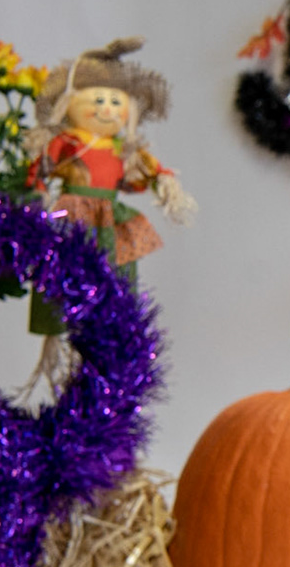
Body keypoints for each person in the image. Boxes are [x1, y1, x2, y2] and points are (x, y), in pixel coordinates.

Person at [23, 38, 195, 385]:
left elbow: (143, 176)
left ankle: (105, 348)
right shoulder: (68, 142)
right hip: (71, 212)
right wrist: (37, 194)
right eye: (98, 100)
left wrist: (164, 182)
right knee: (64, 271)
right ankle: (56, 348)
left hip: (110, 219)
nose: (106, 109)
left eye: (115, 102)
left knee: (114, 276)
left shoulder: (123, 149)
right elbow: (40, 168)